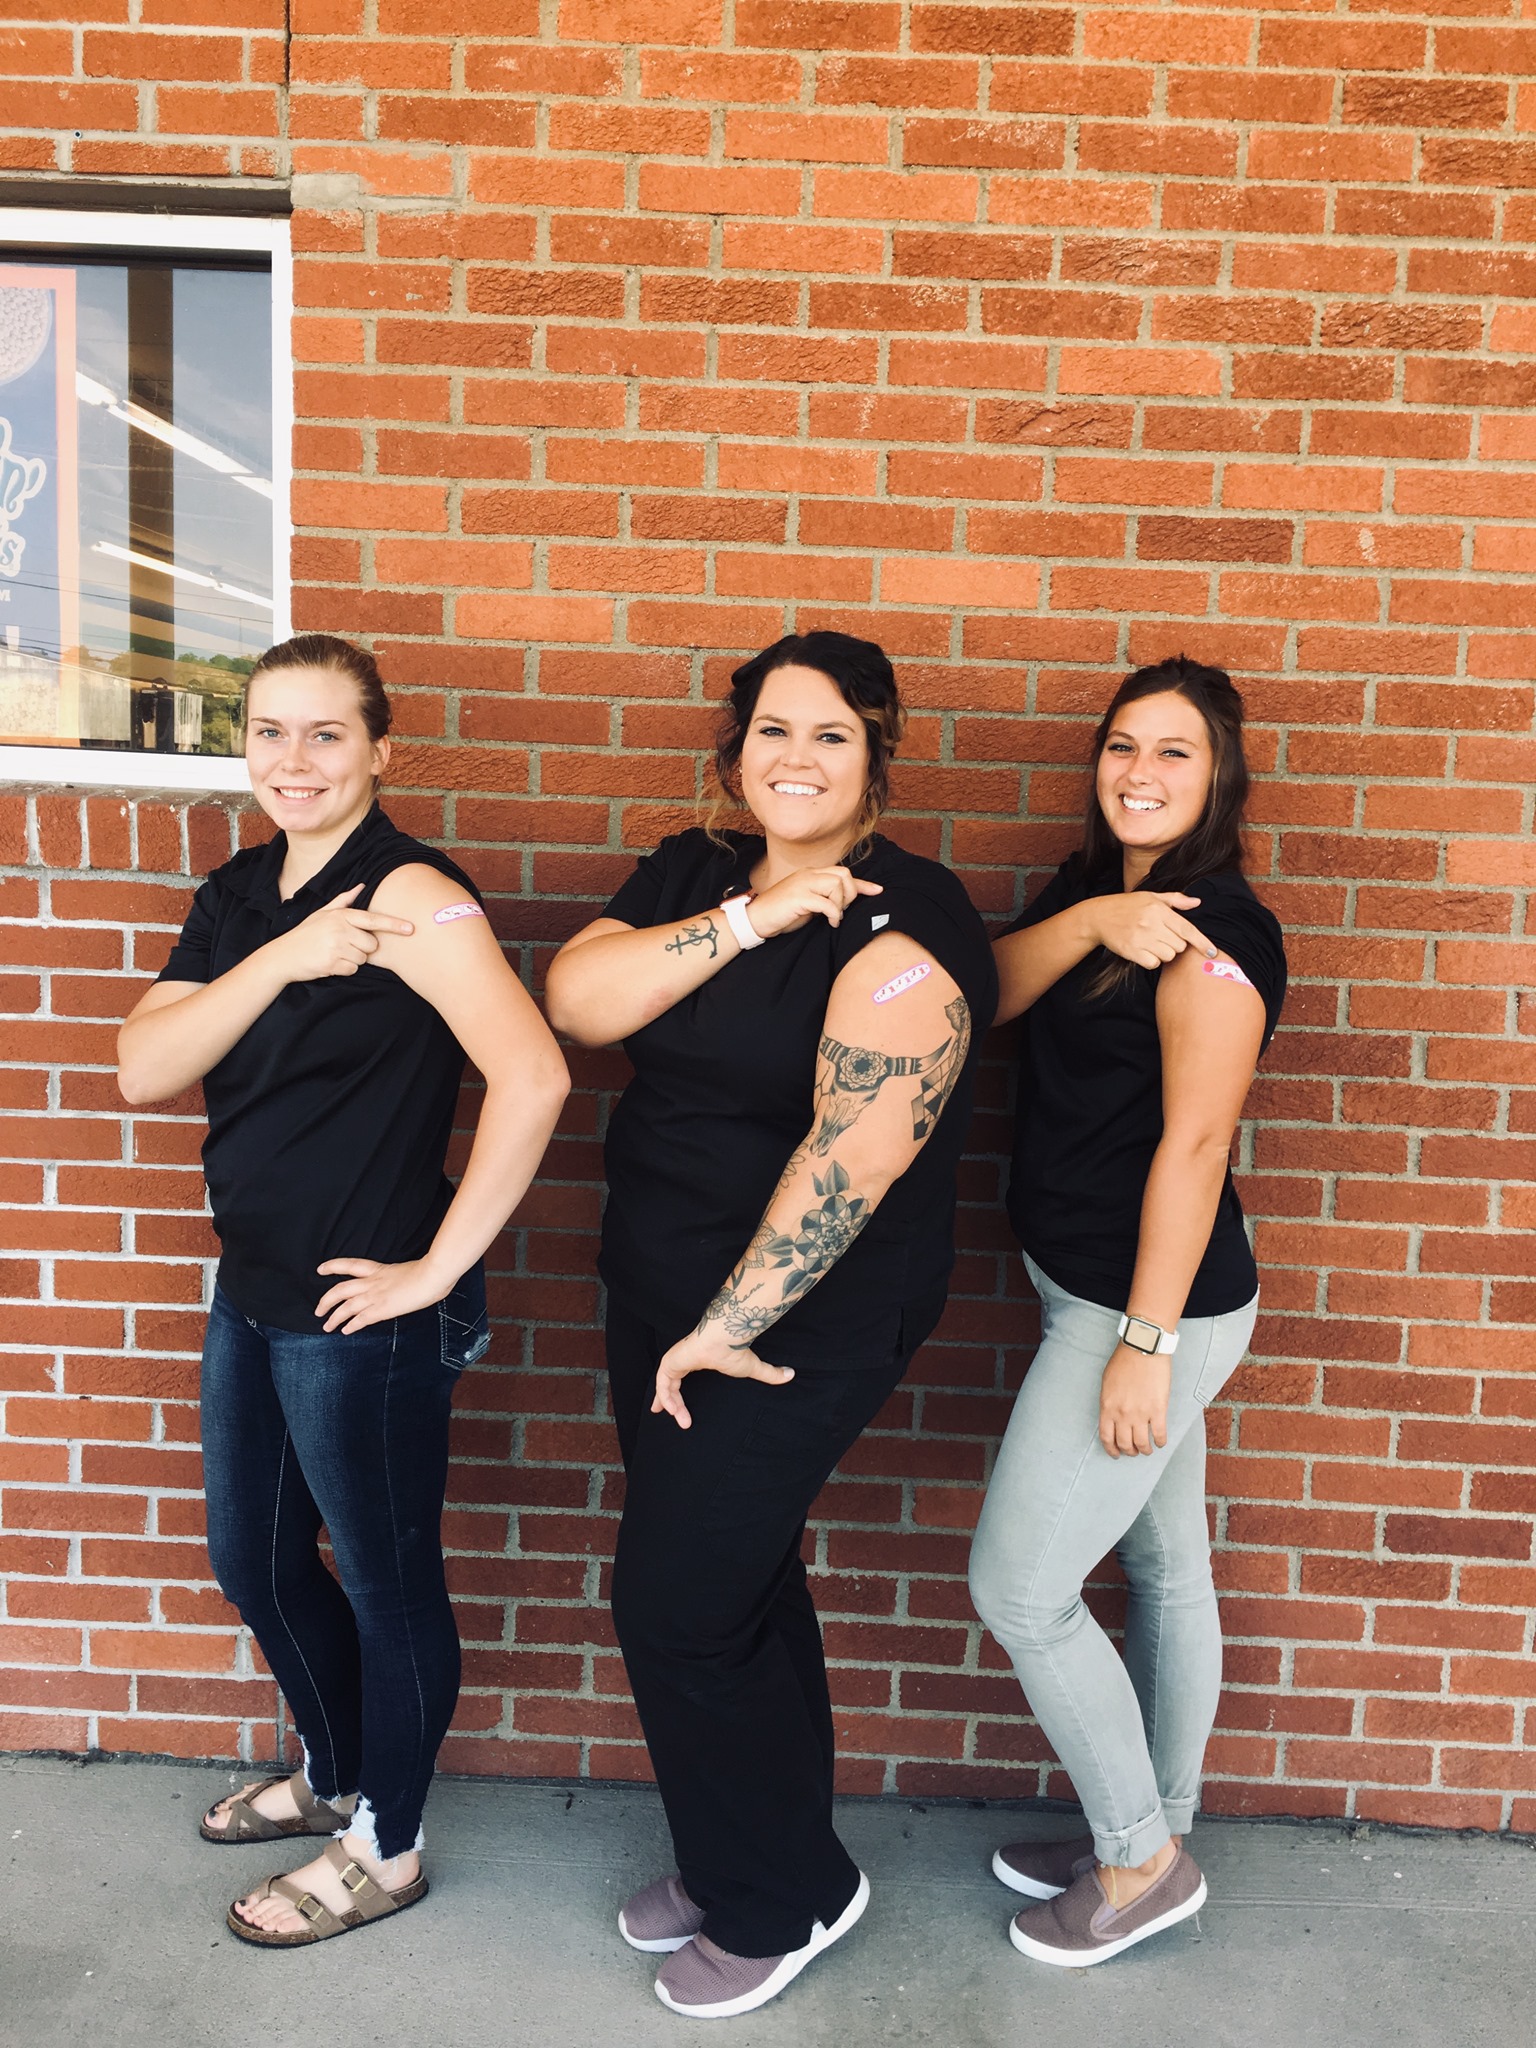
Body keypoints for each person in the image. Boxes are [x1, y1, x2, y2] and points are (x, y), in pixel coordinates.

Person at [545, 631, 996, 2019]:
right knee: (735, 1588)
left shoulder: (909, 925)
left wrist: (722, 1325)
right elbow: (579, 1001)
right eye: (772, 732)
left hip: (793, 1323)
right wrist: (751, 919)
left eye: (830, 734)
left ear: (878, 753)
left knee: (677, 1606)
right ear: (737, 750)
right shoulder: (694, 870)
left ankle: (772, 1904)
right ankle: (776, 1856)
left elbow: (851, 1159)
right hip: (657, 1292)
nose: (795, 760)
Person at [117, 633, 569, 1948]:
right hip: (251, 1287)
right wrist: (282, 957)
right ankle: (334, 1772)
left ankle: (389, 1843)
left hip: (363, 1309)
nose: (294, 759)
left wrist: (439, 1269)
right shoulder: (239, 894)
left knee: (385, 1580)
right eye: (269, 730)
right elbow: (145, 1067)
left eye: (326, 732)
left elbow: (534, 1075)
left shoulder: (413, 894)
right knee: (253, 1560)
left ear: (380, 747)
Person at [969, 654, 1287, 1968]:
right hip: (1091, 1289)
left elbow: (1197, 1147)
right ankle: (1151, 1827)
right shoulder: (1094, 891)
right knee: (1163, 1569)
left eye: (1173, 752)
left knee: (1021, 1590)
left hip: (1147, 1310)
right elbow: (986, 993)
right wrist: (1098, 919)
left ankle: (1139, 1863)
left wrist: (1144, 1345)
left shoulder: (1220, 937)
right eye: (1122, 745)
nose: (1138, 773)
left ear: (1220, 779)